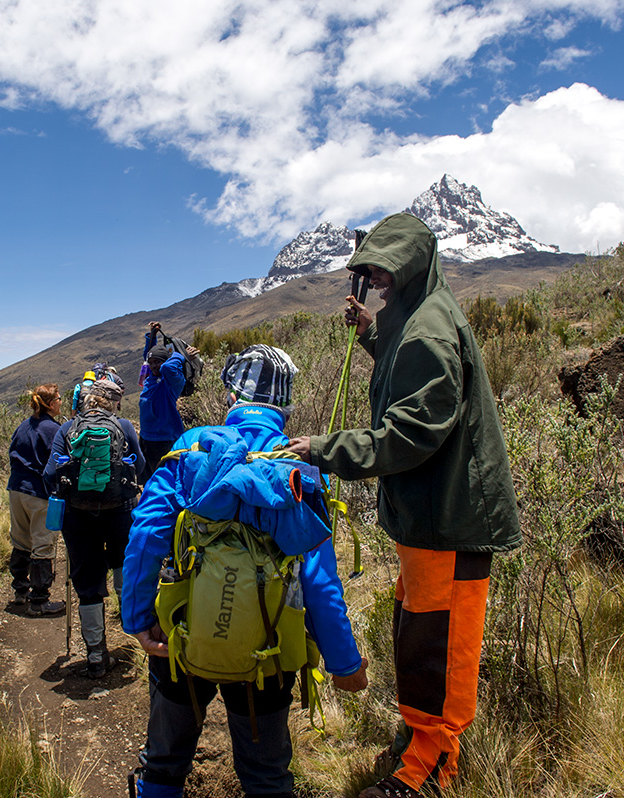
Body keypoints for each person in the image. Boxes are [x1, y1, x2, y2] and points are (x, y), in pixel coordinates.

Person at [285, 213, 521, 798]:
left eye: (385, 274)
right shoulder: (421, 316)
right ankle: (419, 739)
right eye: (370, 275)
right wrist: (371, 332)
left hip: (448, 521)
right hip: (428, 519)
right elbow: (406, 374)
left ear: (411, 268)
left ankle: (431, 769)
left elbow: (409, 435)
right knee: (420, 635)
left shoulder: (428, 330)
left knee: (439, 643)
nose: (377, 285)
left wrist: (325, 450)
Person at [123, 345, 369, 798]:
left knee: (163, 766)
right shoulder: (299, 466)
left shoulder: (192, 446)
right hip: (268, 653)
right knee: (266, 777)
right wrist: (345, 663)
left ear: (232, 394)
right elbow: (319, 581)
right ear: (285, 403)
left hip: (181, 639)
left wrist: (138, 618)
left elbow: (145, 535)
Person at [44, 378, 147, 678]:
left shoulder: (67, 429)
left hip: (78, 518)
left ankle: (96, 656)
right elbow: (139, 467)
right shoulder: (124, 426)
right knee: (123, 565)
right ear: (110, 402)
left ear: (84, 402)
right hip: (119, 514)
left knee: (87, 586)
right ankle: (133, 626)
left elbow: (50, 473)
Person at [6, 383, 66, 617]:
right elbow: (59, 462)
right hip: (39, 493)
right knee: (43, 544)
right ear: (51, 404)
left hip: (16, 490)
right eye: (59, 398)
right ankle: (39, 601)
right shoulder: (53, 430)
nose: (62, 401)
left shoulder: (23, 426)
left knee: (20, 540)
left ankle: (20, 590)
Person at [138, 321, 199, 471]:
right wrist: (152, 335)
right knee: (149, 479)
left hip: (164, 439)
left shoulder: (172, 382)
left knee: (166, 479)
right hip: (146, 437)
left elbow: (169, 366)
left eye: (157, 362)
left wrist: (182, 355)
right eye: (151, 363)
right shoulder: (151, 377)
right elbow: (148, 355)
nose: (153, 366)